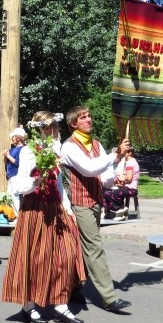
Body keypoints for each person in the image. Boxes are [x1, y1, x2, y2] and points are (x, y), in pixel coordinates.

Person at [2, 111, 86, 323]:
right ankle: (28, 305)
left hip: (54, 207)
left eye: (57, 126)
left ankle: (60, 303)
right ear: (43, 129)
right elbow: (19, 184)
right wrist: (35, 182)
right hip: (35, 208)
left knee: (65, 254)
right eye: (54, 127)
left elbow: (58, 185)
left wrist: (67, 208)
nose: (58, 130)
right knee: (36, 258)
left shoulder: (55, 149)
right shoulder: (29, 151)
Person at [60, 105, 131, 312]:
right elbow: (90, 169)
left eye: (89, 116)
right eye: (83, 117)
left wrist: (115, 175)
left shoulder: (97, 145)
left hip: (95, 201)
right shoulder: (69, 146)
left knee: (83, 248)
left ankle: (72, 289)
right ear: (74, 124)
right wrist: (115, 154)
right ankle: (109, 298)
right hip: (78, 202)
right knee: (94, 247)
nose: (89, 119)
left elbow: (104, 176)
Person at [103, 147, 140, 221]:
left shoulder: (130, 163)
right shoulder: (131, 162)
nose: (122, 154)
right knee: (107, 192)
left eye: (124, 153)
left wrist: (123, 179)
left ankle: (120, 209)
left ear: (129, 153)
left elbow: (129, 179)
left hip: (131, 189)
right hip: (129, 188)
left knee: (111, 193)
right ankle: (117, 209)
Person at [3, 127, 26, 211]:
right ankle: (14, 215)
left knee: (16, 196)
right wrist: (6, 156)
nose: (11, 138)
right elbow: (6, 163)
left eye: (13, 136)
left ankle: (19, 216)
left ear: (18, 137)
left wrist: (8, 156)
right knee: (10, 196)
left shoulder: (23, 149)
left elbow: (18, 163)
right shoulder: (12, 149)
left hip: (17, 175)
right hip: (10, 176)